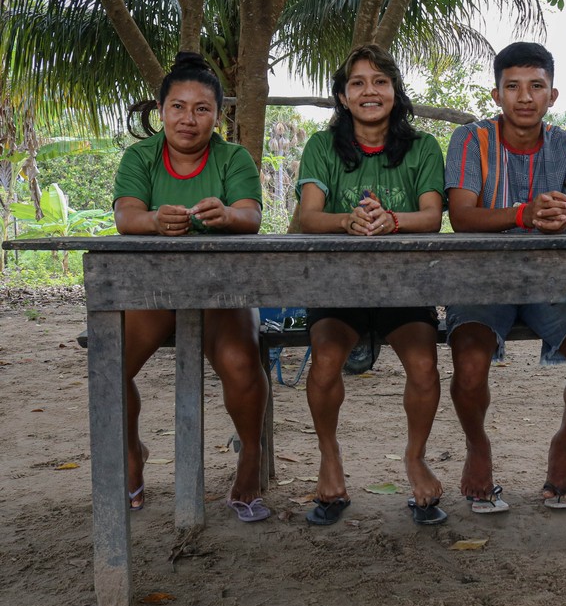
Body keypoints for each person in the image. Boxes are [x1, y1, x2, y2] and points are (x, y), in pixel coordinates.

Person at [444, 42, 566, 514]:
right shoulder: (470, 140)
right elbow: (461, 216)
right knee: (470, 364)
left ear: (552, 95)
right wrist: (524, 212)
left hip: (550, 280)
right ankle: (478, 447)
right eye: (512, 86)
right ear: (496, 94)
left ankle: (563, 445)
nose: (524, 96)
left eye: (536, 86)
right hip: (480, 279)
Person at [113, 52, 271, 523]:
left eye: (201, 108)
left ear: (217, 116)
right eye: (178, 107)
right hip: (156, 293)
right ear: (160, 110)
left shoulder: (232, 156)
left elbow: (252, 216)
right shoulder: (141, 156)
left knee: (242, 365)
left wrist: (228, 215)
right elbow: (126, 216)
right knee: (111, 366)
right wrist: (152, 220)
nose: (188, 118)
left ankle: (249, 458)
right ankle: (131, 452)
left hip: (223, 293)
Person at [296, 44, 447, 526]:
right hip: (337, 288)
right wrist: (346, 222)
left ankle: (415, 458)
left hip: (404, 288)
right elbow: (306, 217)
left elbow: (432, 216)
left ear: (395, 92)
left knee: (424, 364)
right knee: (324, 361)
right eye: (357, 83)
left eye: (380, 81)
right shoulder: (322, 147)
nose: (369, 91)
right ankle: (329, 456)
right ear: (342, 96)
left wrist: (392, 220)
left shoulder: (422, 147)